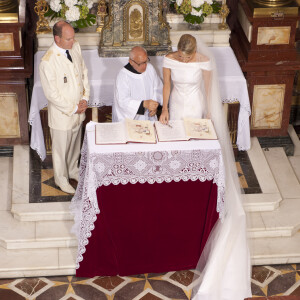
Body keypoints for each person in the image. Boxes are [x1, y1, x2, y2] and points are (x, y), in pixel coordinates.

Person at [160, 34, 252, 300]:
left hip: (196, 105)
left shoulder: (205, 61)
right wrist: (164, 108)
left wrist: (210, 115)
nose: (184, 60)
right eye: (182, 56)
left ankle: (195, 182)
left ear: (195, 52)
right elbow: (167, 85)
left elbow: (209, 90)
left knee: (196, 145)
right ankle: (177, 180)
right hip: (177, 104)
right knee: (177, 144)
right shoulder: (169, 59)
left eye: (188, 56)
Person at [39, 21, 90, 194]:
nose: (73, 41)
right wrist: (74, 107)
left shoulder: (75, 47)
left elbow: (83, 72)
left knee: (75, 144)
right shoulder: (48, 61)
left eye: (73, 37)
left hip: (78, 110)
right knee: (61, 150)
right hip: (63, 115)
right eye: (68, 39)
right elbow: (52, 95)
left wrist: (85, 98)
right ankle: (61, 179)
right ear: (57, 38)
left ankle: (73, 169)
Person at [112, 46, 163, 122]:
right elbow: (122, 101)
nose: (145, 66)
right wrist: (143, 104)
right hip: (131, 120)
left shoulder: (150, 68)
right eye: (141, 63)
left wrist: (154, 106)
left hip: (149, 116)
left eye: (146, 61)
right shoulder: (123, 76)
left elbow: (158, 88)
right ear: (131, 61)